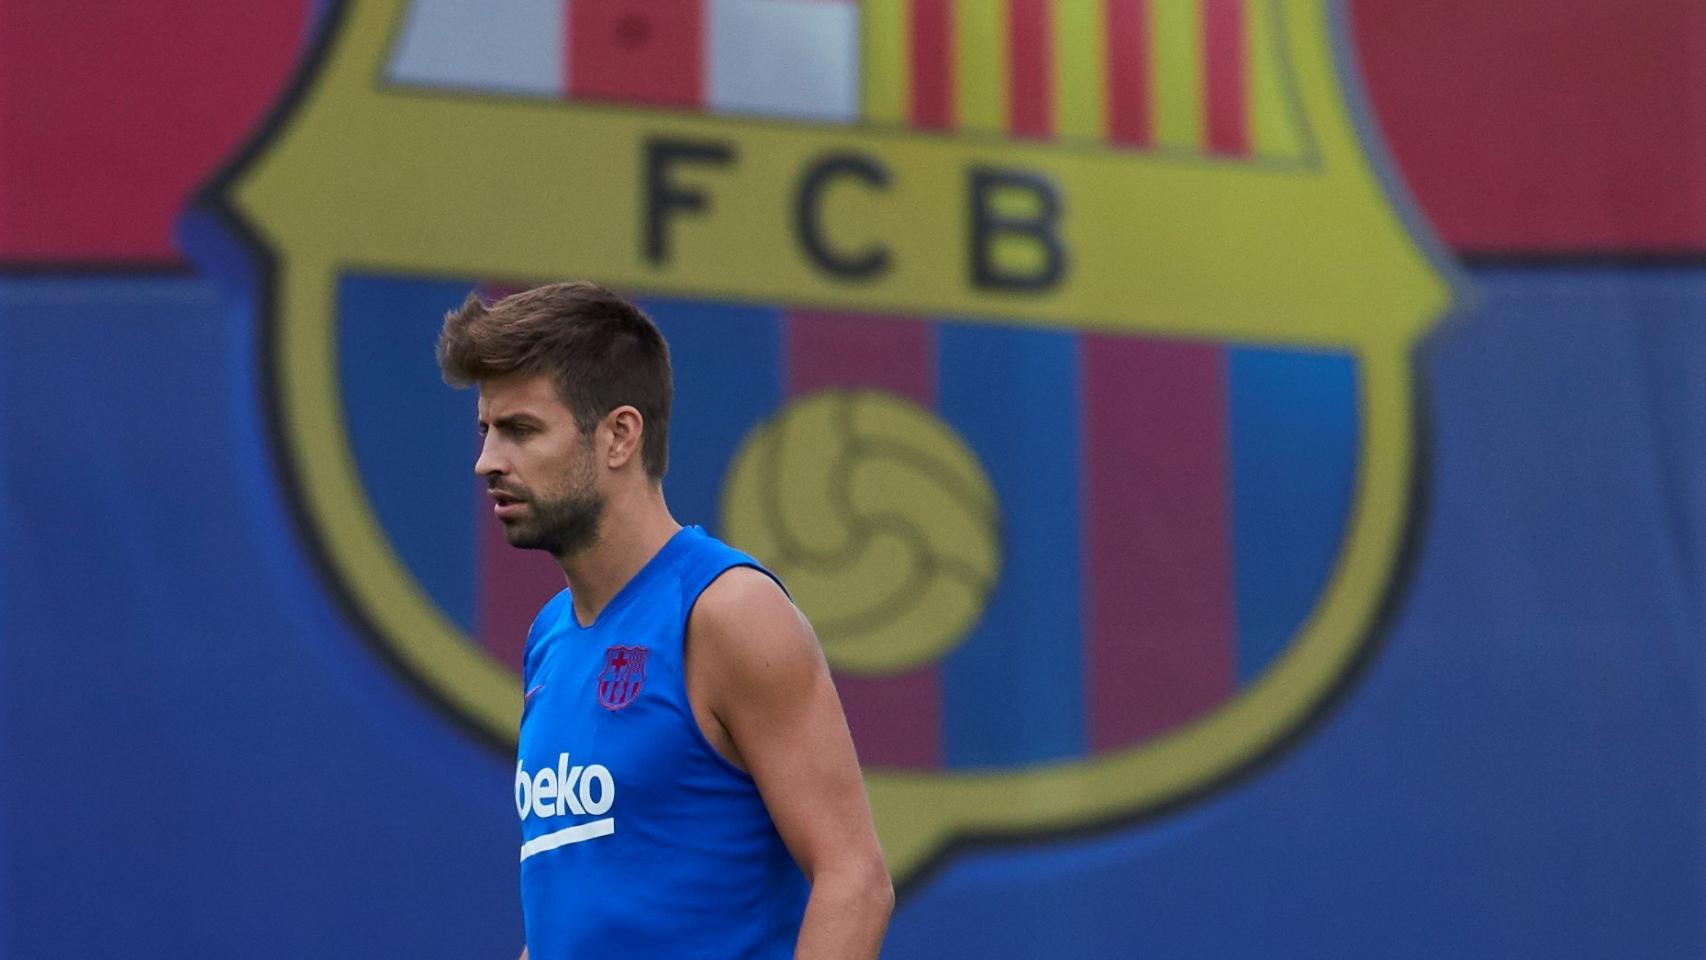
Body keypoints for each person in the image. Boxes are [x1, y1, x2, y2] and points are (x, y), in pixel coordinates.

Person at [436, 282, 893, 959]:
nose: (487, 462)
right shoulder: (550, 640)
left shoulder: (727, 611)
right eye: (486, 431)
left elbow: (854, 880)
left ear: (620, 434)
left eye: (521, 430)